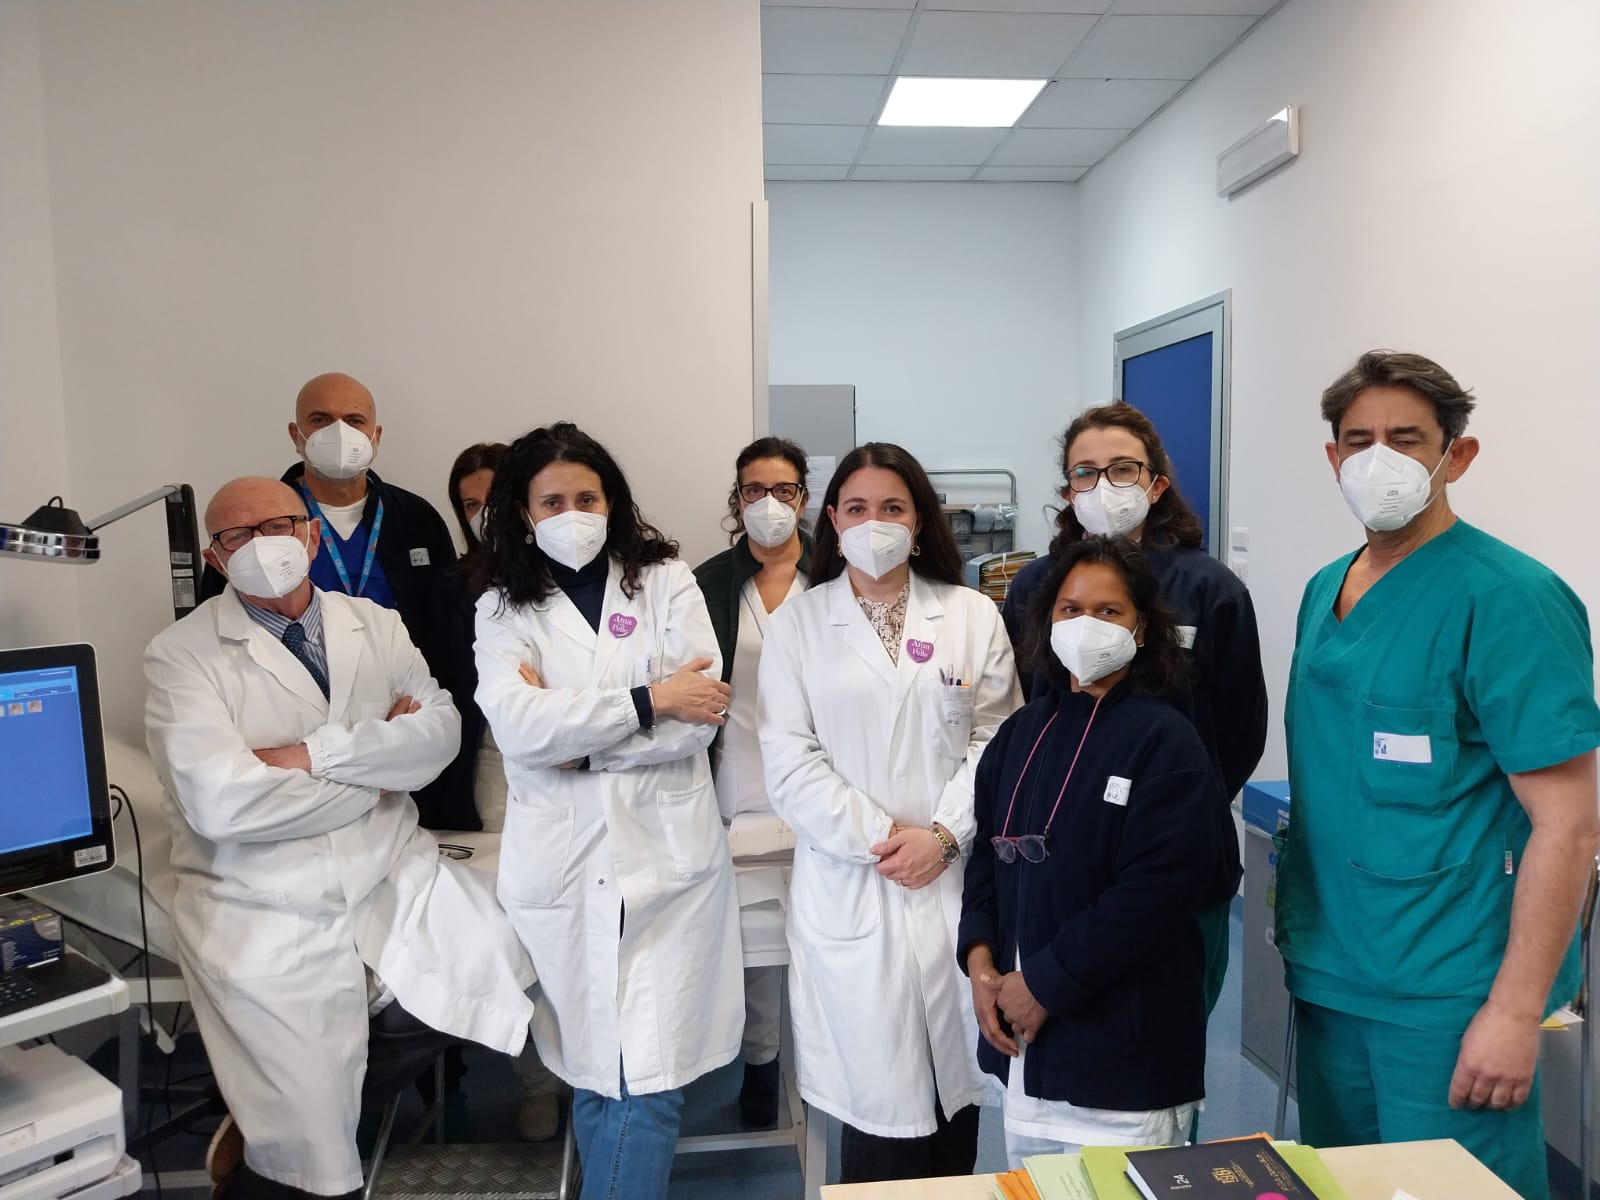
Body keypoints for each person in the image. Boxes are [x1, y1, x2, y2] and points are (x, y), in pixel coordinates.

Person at [144, 477, 536, 1200]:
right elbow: (222, 802)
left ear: (312, 534)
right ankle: (274, 1148)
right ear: (214, 557)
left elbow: (440, 735)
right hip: (265, 894)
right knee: (307, 1146)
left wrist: (309, 756)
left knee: (508, 952)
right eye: (237, 536)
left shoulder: (373, 623)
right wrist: (378, 773)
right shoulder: (181, 655)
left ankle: (304, 1103)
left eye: (279, 525)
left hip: (389, 866)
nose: (263, 544)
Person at [1277, 350, 1600, 1200]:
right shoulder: (1324, 590)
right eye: (1359, 441)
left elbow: (1569, 825)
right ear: (1333, 457)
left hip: (1449, 991)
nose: (1377, 458)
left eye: (1406, 438)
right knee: (1345, 1187)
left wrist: (1516, 1011)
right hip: (1332, 971)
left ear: (1457, 456)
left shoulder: (1511, 598)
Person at [473, 422, 742, 1200]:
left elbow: (702, 716)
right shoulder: (501, 607)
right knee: (600, 1073)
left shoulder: (665, 580)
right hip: (568, 869)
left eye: (586, 497)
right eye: (552, 501)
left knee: (642, 1081)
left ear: (612, 501)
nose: (572, 513)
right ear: (523, 512)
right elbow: (520, 730)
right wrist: (651, 699)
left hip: (667, 864)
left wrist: (582, 746)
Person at [759, 443, 1022, 1184]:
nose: (875, 522)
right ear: (832, 521)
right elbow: (790, 761)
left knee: (956, 1104)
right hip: (855, 881)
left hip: (953, 879)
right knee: (881, 1118)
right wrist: (888, 840)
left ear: (920, 521)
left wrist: (944, 836)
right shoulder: (799, 625)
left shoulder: (971, 615)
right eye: (857, 508)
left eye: (893, 507)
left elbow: (998, 740)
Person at [959, 537, 1238, 1168]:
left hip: (1123, 1066)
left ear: (1142, 629)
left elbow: (1154, 895)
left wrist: (1044, 984)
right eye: (1070, 609)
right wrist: (978, 958)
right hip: (1025, 1058)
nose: (1086, 624)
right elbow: (986, 857)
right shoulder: (1020, 734)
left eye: (1108, 611)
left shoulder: (1166, 741)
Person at [1001, 402, 1266, 1025]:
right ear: (1068, 492)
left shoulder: (1210, 589)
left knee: (1165, 1036)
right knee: (1055, 1014)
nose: (1104, 486)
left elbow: (1240, 729)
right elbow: (1024, 708)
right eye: (1086, 472)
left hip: (1178, 852)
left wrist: (1178, 809)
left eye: (1123, 469)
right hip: (1059, 844)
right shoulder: (1035, 587)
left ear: (1157, 484)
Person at [196, 373, 468, 830]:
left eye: (354, 420)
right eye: (320, 420)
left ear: (375, 435)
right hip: (283, 729)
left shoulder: (417, 519)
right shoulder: (251, 527)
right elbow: (221, 631)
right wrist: (381, 773)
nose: (339, 432)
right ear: (296, 434)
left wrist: (402, 748)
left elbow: (447, 641)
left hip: (396, 717)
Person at [432, 441, 563, 1143]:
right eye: (469, 505)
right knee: (516, 928)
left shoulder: (573, 574)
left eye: (494, 500)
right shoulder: (454, 588)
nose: (483, 515)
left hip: (576, 764)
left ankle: (587, 1071)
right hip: (493, 769)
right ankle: (536, 1082)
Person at [692, 436, 813, 1127]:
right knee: (750, 944)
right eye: (754, 491)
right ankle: (757, 1060)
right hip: (735, 781)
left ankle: (810, 1066)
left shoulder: (836, 577)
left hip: (820, 782)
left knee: (821, 936)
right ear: (737, 500)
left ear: (804, 498)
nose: (769, 504)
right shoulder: (709, 582)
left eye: (783, 490)